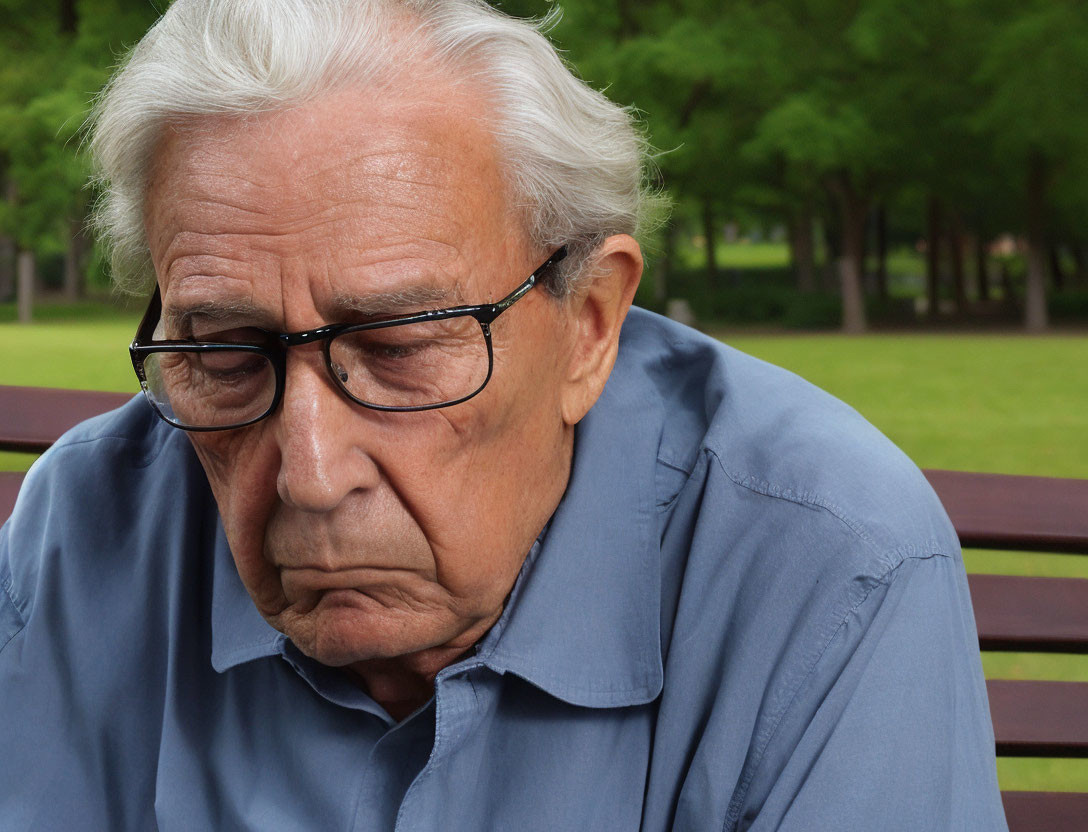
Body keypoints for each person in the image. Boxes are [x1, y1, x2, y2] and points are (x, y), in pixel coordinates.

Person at [0, 1, 1007, 829]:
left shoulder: (828, 560)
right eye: (225, 350)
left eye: (398, 346)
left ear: (588, 325)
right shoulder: (87, 533)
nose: (310, 470)